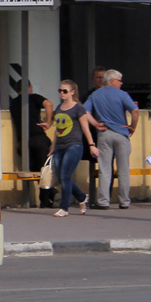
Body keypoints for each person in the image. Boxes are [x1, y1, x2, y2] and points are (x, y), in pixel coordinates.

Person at [83, 69, 140, 210]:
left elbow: (84, 111)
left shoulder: (95, 95)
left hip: (104, 134)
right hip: (121, 134)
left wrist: (95, 123)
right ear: (113, 81)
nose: (121, 83)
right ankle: (124, 201)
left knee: (104, 169)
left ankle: (103, 201)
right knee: (123, 169)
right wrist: (132, 127)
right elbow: (135, 110)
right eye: (120, 81)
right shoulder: (122, 94)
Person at [48, 80, 100, 217]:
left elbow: (85, 128)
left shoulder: (78, 108)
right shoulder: (59, 108)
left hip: (74, 145)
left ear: (72, 92)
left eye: (64, 91)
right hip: (60, 146)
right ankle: (82, 197)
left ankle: (64, 208)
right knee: (61, 177)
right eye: (60, 90)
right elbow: (57, 130)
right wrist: (52, 147)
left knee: (65, 176)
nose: (61, 93)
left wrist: (92, 145)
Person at [9, 83, 54, 207]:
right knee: (44, 170)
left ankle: (49, 195)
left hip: (23, 141)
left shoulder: (13, 103)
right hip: (38, 138)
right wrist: (47, 122)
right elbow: (49, 104)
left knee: (35, 169)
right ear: (28, 88)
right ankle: (46, 199)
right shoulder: (33, 97)